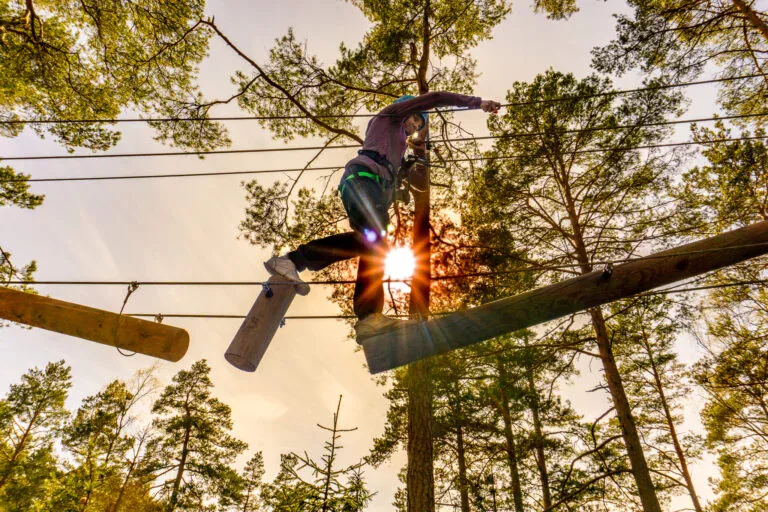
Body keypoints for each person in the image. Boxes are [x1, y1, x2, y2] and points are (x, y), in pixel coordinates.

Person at [264, 92, 501, 342]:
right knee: (376, 243)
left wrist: (413, 163)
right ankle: (303, 267)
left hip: (370, 191)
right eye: (414, 119)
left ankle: (364, 317)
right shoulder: (390, 116)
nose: (413, 127)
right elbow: (435, 98)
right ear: (405, 109)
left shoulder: (397, 146)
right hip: (361, 182)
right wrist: (478, 103)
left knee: (371, 247)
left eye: (419, 125)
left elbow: (406, 183)